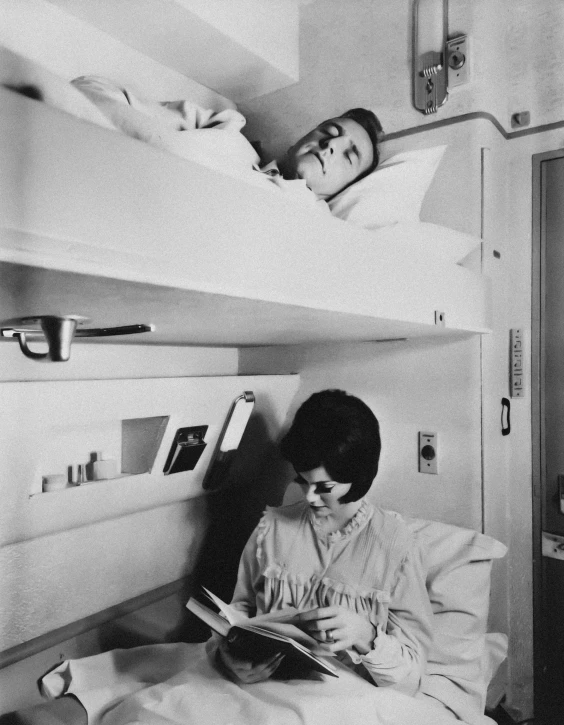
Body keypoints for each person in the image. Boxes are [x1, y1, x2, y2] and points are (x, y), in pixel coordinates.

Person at [215, 389, 433, 696]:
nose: (309, 497)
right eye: (303, 481)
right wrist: (231, 658)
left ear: (359, 476)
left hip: (346, 702)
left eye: (324, 486)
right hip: (263, 691)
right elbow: (237, 615)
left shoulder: (397, 547)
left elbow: (412, 681)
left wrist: (366, 634)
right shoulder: (271, 528)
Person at [260, 108, 383, 202]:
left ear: (345, 188)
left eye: (349, 156)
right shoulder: (242, 155)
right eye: (330, 132)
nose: (331, 144)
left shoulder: (321, 230)